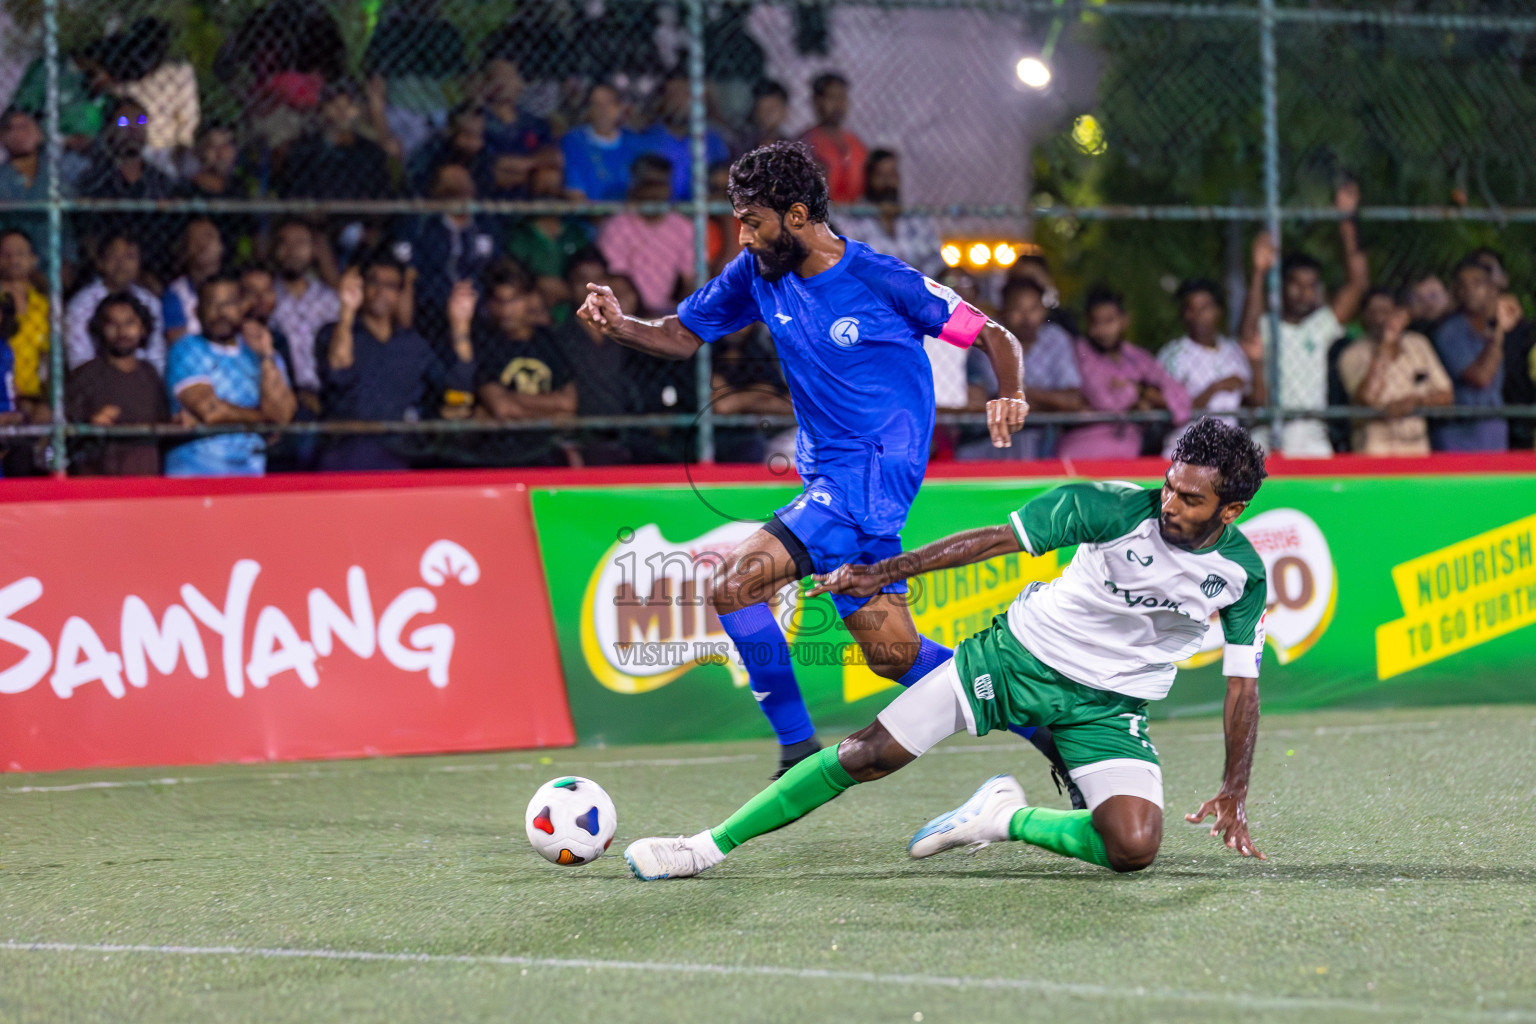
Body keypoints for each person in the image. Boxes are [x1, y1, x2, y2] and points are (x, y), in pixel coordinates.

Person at [622, 418, 1271, 880]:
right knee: (867, 754)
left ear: (1231, 510)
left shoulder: (1243, 575)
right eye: (1168, 485)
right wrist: (882, 573)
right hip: (1015, 659)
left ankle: (1002, 817)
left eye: (1191, 498)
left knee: (1132, 847)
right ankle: (704, 846)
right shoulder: (1105, 506)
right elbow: (991, 540)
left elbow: (1243, 687)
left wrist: (1234, 790)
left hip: (1109, 708)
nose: (1170, 504)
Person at [577, 141, 1033, 780]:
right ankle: (1047, 722)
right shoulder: (758, 273)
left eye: (751, 220)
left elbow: (992, 333)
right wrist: (622, 323)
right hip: (829, 475)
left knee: (734, 583)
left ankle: (796, 750)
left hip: (871, 474)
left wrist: (1009, 392)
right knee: (894, 655)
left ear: (796, 216)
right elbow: (681, 335)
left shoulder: (880, 278)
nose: (741, 236)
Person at [1239, 183, 1368, 458]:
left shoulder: (1320, 325)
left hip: (1313, 439)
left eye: (1312, 286)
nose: (1304, 293)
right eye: (1296, 285)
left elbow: (1357, 284)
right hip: (1267, 437)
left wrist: (1346, 223)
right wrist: (1259, 273)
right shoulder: (1267, 325)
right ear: (1281, 287)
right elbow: (1247, 335)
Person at [317, 259, 473, 471]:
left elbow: (458, 382)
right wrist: (346, 311)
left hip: (399, 450)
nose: (381, 291)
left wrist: (459, 326)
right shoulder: (334, 333)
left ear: (400, 294)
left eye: (391, 286)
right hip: (348, 449)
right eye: (374, 283)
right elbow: (339, 370)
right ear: (362, 288)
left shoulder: (412, 344)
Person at [163, 273, 297, 477]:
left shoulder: (263, 352)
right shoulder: (186, 349)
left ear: (242, 308)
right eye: (212, 304)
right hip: (194, 473)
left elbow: (283, 417)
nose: (221, 313)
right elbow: (211, 410)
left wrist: (265, 357)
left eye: (229, 304)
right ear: (197, 311)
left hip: (251, 473)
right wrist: (266, 420)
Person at [1058, 288, 1191, 460]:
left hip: (1128, 455)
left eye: (1109, 321)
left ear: (1124, 320)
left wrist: (1141, 392)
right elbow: (1106, 400)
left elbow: (1181, 399)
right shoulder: (1081, 351)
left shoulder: (1136, 356)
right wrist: (1142, 396)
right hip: (1082, 453)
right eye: (1095, 322)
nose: (1102, 330)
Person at [961, 277, 1081, 461]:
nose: (1026, 318)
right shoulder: (988, 338)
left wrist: (1021, 395)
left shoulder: (1056, 338)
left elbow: (1072, 401)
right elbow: (991, 399)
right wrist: (1047, 400)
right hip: (986, 437)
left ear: (1044, 310)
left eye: (1033, 309)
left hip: (1043, 437)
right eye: (1017, 309)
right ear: (1003, 311)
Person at [1335, 287, 1453, 456]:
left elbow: (1446, 395)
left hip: (1416, 448)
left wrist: (1416, 402)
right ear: (1363, 319)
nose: (1380, 319)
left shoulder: (1418, 344)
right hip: (1374, 449)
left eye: (1385, 312)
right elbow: (1366, 398)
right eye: (1372, 312)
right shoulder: (1351, 354)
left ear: (1400, 315)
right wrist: (1383, 350)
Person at [65, 291, 169, 476]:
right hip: (99, 481)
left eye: (129, 323)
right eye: (112, 324)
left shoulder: (150, 374)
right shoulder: (85, 375)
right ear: (100, 329)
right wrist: (89, 425)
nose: (122, 332)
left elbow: (164, 424)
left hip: (146, 479)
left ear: (143, 328)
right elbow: (62, 440)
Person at [1158, 278, 1267, 456]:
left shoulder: (1234, 352)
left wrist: (1256, 363)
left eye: (1205, 307)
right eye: (1191, 309)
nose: (1198, 315)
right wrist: (1216, 388)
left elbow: (1256, 402)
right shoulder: (1172, 355)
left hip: (1227, 453)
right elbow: (1172, 410)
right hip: (1184, 450)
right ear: (1184, 314)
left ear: (1218, 311)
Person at [396, 163, 497, 344]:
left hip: (477, 305)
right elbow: (408, 262)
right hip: (432, 307)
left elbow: (495, 264)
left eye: (464, 183)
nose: (460, 190)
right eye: (452, 185)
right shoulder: (422, 226)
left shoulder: (484, 225)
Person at [76, 97, 177, 269]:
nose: (133, 128)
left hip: (153, 266)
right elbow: (87, 233)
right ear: (109, 129)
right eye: (123, 122)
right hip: (107, 265)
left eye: (140, 121)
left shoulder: (161, 182)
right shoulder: (95, 180)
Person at [1431, 257, 1516, 452]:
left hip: (1494, 427)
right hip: (1459, 431)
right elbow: (1481, 377)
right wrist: (1498, 337)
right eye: (1462, 285)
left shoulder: (1494, 324)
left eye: (1477, 283)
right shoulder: (1450, 331)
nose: (1468, 290)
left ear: (1492, 289)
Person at [596, 155, 696, 315]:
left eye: (661, 184)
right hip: (627, 312)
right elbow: (617, 283)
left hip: (667, 312)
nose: (655, 192)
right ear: (635, 186)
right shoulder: (617, 226)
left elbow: (691, 280)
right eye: (649, 184)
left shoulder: (683, 226)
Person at [64, 233, 166, 374]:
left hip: (142, 379)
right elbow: (79, 359)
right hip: (97, 380)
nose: (121, 263)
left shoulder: (150, 302)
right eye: (114, 256)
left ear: (139, 263)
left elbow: (157, 356)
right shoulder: (81, 305)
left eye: (129, 256)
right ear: (100, 263)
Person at [835, 149, 942, 278]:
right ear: (868, 179)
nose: (887, 181)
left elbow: (936, 262)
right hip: (875, 292)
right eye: (880, 175)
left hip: (918, 291)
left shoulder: (916, 218)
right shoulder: (852, 220)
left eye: (892, 175)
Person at [281, 81, 394, 201]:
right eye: (335, 106)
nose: (342, 113)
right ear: (322, 109)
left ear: (358, 110)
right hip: (318, 212)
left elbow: (381, 192)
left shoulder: (370, 151)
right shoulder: (305, 148)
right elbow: (296, 189)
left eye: (348, 106)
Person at [268, 219, 341, 402]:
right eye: (285, 242)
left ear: (314, 250)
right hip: (283, 395)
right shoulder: (267, 298)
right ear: (275, 249)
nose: (292, 251)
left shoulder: (331, 300)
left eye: (300, 243)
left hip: (329, 393)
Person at [0, 108, 77, 269]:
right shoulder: (3, 177)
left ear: (39, 134)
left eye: (25, 126)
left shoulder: (58, 174)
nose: (19, 133)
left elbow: (69, 224)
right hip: (11, 266)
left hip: (56, 262)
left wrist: (68, 261)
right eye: (11, 128)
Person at [638, 72, 730, 201]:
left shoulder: (712, 139)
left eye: (686, 95)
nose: (679, 103)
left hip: (704, 212)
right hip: (662, 213)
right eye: (673, 95)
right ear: (662, 100)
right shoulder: (646, 139)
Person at [561, 82, 642, 202]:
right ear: (589, 109)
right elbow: (575, 191)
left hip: (628, 217)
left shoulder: (633, 141)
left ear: (619, 108)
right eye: (596, 104)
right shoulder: (575, 141)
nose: (602, 111)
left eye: (609, 104)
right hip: (588, 216)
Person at [0, 230, 51, 421]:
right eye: (6, 254)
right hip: (2, 391)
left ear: (33, 260)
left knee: (44, 415)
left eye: (21, 254)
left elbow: (46, 358)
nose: (14, 259)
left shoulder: (43, 306)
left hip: (31, 393)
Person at [799, 73, 868, 204]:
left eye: (842, 97)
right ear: (817, 101)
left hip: (856, 216)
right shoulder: (806, 143)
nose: (838, 104)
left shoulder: (856, 143)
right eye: (832, 97)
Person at [162, 217, 226, 344]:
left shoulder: (233, 287)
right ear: (185, 249)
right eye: (196, 239)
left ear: (221, 247)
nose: (203, 245)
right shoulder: (176, 293)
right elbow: (177, 343)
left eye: (208, 236)